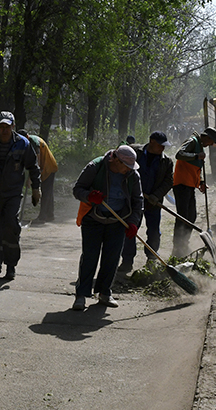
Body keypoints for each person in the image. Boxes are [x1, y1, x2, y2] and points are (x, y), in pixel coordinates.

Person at [72, 145, 143, 311]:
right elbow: (77, 190)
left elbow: (138, 202)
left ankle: (104, 293)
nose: (128, 170)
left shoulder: (133, 175)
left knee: (111, 258)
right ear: (116, 160)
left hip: (118, 221)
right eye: (126, 166)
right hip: (93, 219)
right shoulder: (95, 167)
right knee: (90, 257)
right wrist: (89, 196)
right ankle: (81, 295)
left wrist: (133, 222)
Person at [0, 112, 41, 280]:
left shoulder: (23, 144)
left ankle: (11, 266)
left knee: (11, 225)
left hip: (13, 193)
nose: (4, 130)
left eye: (7, 126)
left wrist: (36, 189)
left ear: (13, 126)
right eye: (1, 126)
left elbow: (33, 167)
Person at [119, 131, 174, 272]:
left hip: (153, 202)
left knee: (154, 231)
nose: (163, 149)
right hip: (133, 201)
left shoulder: (166, 161)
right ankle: (127, 261)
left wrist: (156, 195)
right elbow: (122, 169)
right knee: (130, 229)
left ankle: (151, 260)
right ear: (151, 142)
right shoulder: (135, 153)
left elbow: (168, 182)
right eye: (160, 146)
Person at [171, 127, 216, 257]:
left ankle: (184, 244)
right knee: (183, 217)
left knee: (191, 216)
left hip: (190, 185)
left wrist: (201, 181)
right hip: (181, 184)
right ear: (207, 137)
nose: (210, 145)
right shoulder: (192, 141)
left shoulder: (200, 147)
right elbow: (179, 154)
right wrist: (196, 155)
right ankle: (178, 248)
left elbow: (196, 169)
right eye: (211, 142)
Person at [17, 129, 58, 224]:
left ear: (26, 137)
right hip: (47, 167)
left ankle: (42, 217)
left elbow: (37, 162)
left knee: (45, 191)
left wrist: (30, 179)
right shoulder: (28, 142)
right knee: (48, 192)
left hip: (48, 167)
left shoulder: (33, 142)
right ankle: (50, 215)